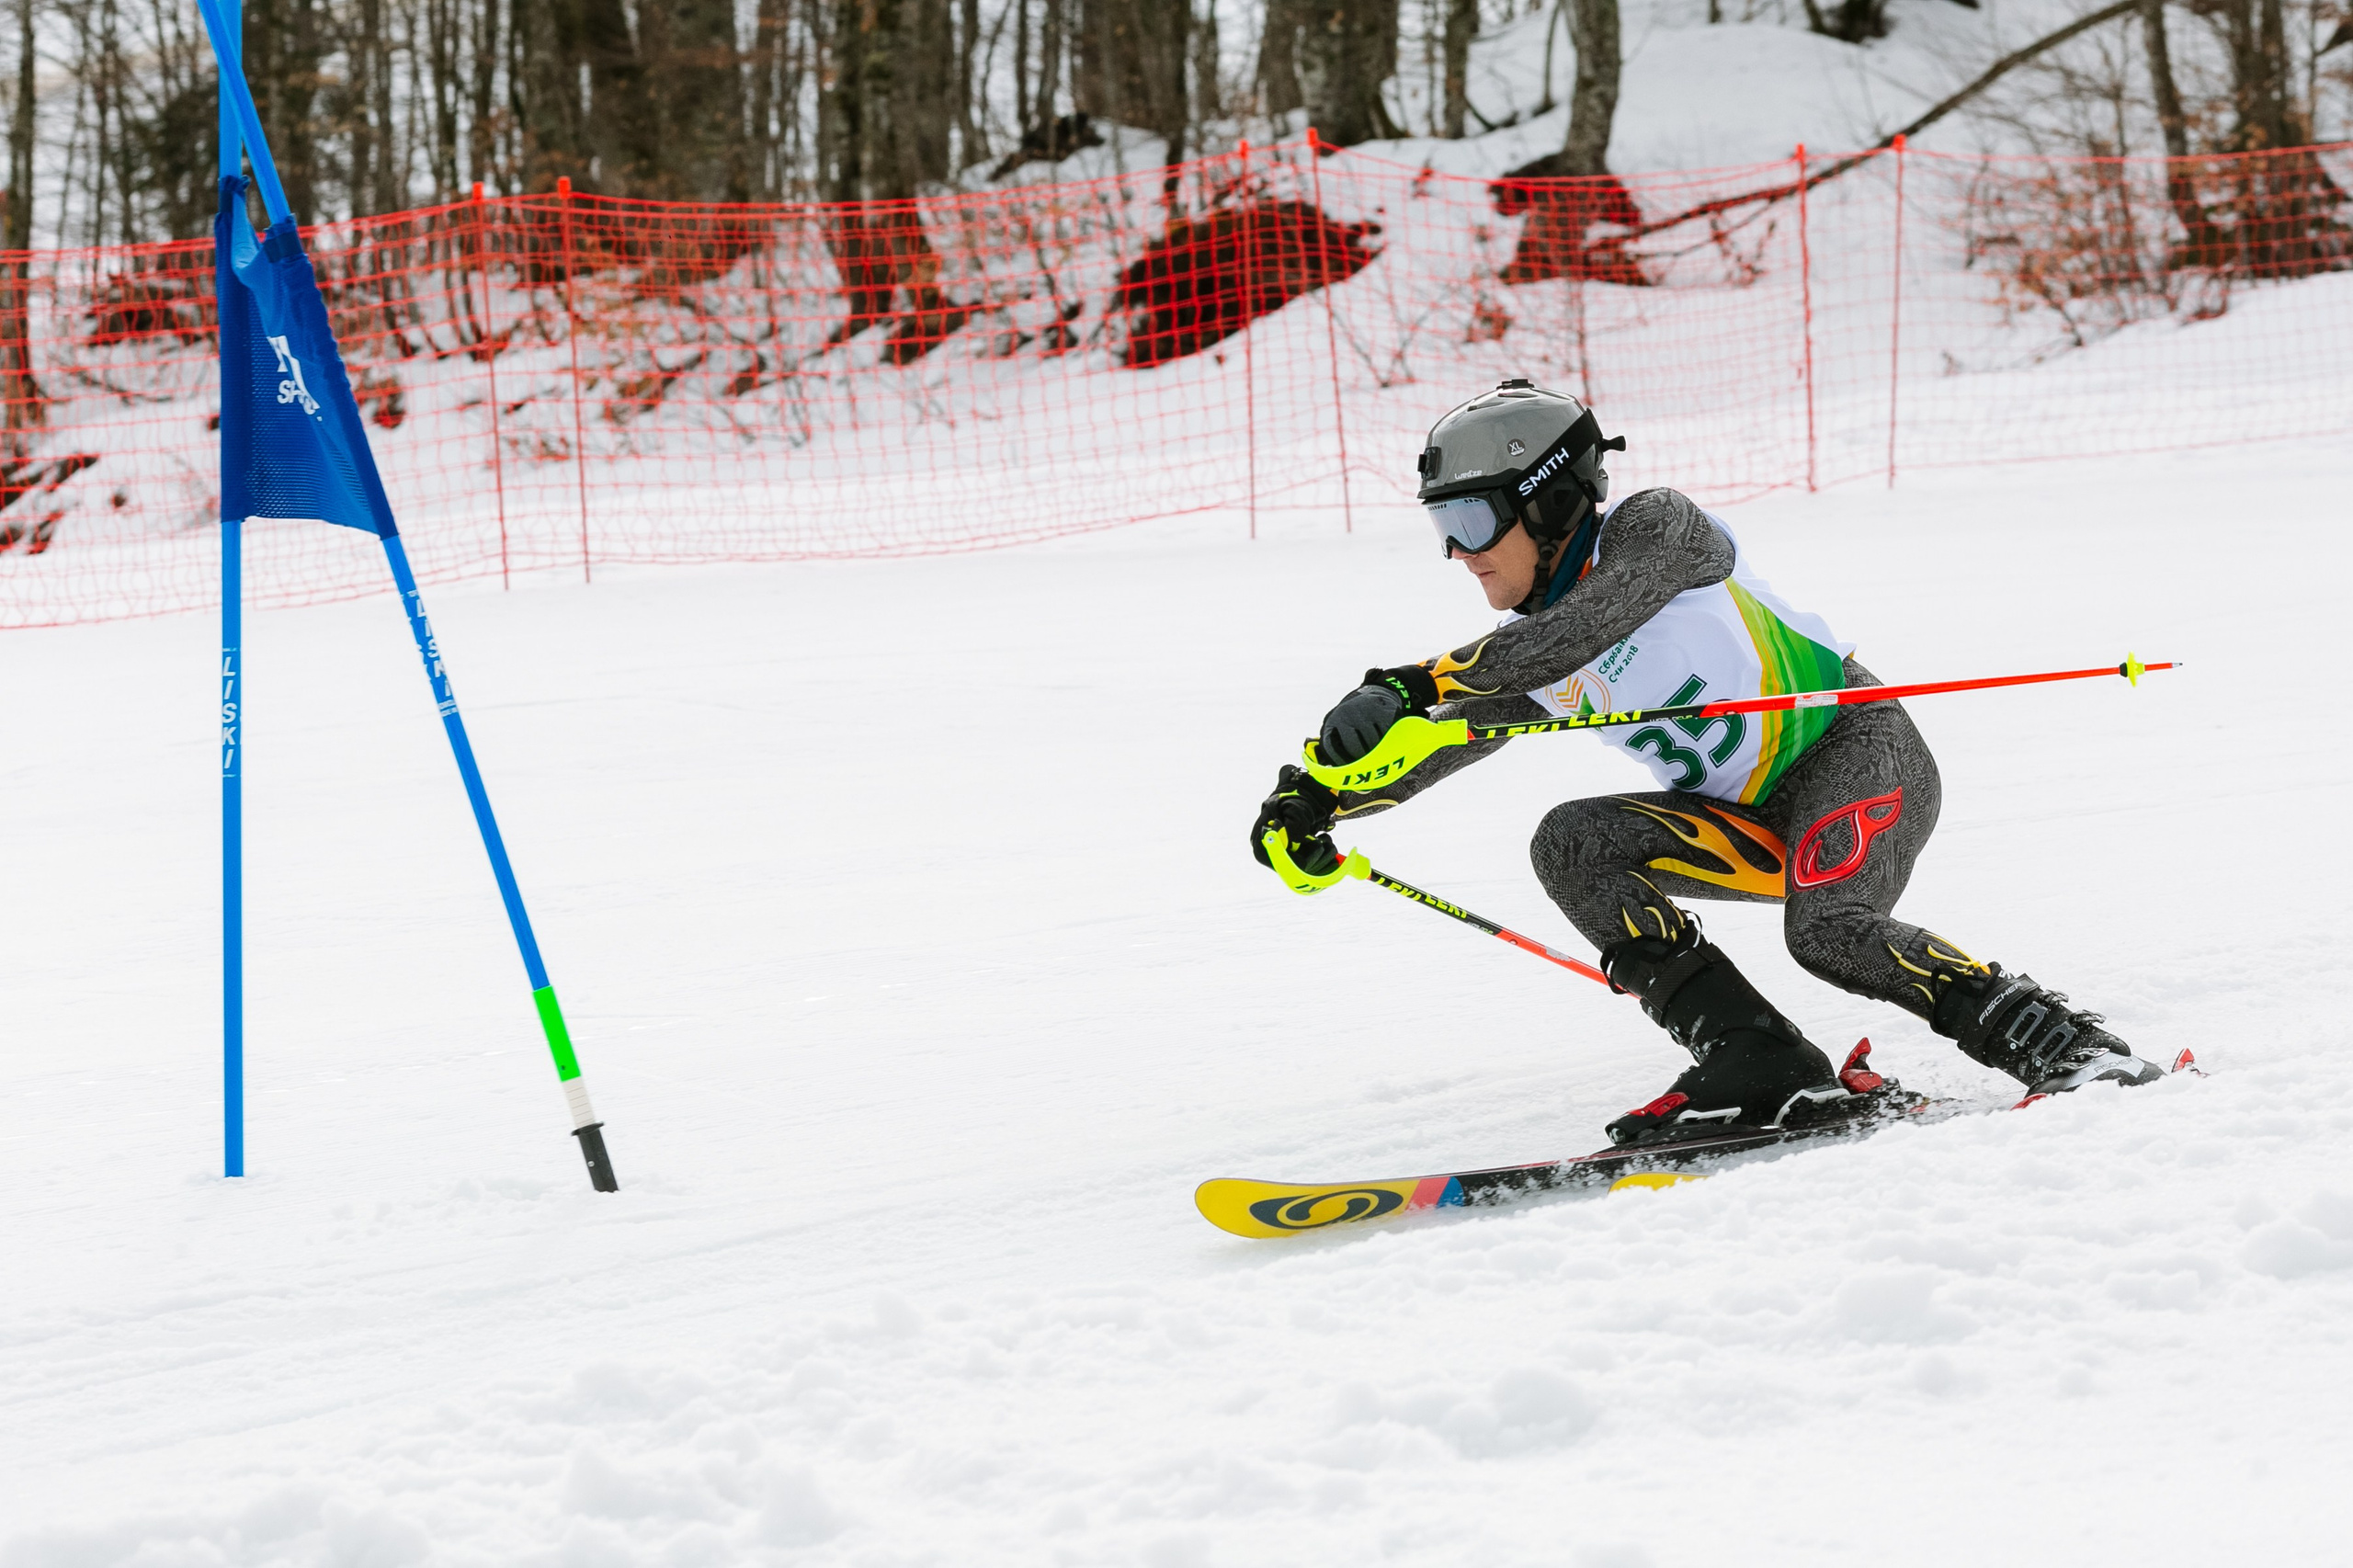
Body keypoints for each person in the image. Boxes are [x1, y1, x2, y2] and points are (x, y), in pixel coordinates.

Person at [1250, 378, 2162, 1146]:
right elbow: (1432, 742)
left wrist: (1412, 680)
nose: (1456, 550)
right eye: (1440, 524)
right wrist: (1313, 798)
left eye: (1470, 517)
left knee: (1828, 930)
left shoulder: (1658, 532)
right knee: (1572, 842)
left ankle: (2071, 1048)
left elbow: (1586, 624)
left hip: (1856, 754)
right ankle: (1757, 1061)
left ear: (1550, 498)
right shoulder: (1530, 658)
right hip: (1750, 824)